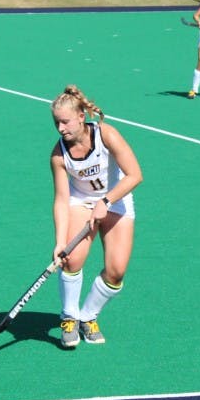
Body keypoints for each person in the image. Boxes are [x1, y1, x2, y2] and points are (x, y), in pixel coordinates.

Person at [49, 85, 142, 348]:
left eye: (65, 121)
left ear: (81, 116)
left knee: (116, 272)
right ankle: (69, 317)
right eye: (56, 122)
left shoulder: (107, 135)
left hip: (116, 198)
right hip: (80, 202)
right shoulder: (59, 155)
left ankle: (88, 317)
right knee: (72, 260)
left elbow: (135, 174)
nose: (60, 128)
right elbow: (60, 199)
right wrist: (59, 242)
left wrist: (106, 200)